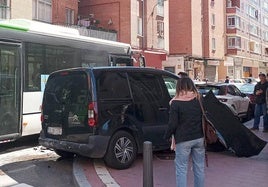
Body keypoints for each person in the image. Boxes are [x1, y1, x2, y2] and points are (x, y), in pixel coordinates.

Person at [164, 77, 205, 187]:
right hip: (199, 138)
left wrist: (166, 136)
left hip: (183, 140)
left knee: (181, 169)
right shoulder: (199, 99)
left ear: (178, 87)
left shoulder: (175, 103)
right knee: (199, 167)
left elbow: (172, 124)